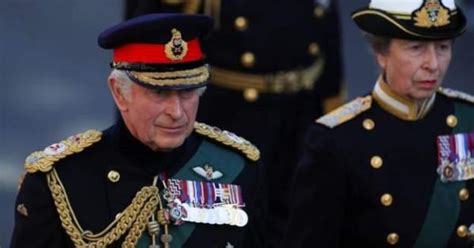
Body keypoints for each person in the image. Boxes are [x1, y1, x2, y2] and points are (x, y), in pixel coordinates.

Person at [11, 13, 264, 247]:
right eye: (160, 93)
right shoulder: (59, 181)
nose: (176, 112)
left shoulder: (238, 168)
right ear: (119, 92)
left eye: (187, 92)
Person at [124, 1, 345, 244]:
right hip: (228, 115)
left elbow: (324, 16)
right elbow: (144, 40)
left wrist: (330, 98)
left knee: (300, 223)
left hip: (302, 111)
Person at [286, 0, 474, 247]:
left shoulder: (467, 119)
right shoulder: (336, 139)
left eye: (443, 47)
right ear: (381, 53)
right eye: (416, 48)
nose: (433, 64)